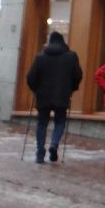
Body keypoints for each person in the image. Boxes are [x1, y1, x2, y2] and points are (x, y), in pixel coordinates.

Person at [25, 31, 83, 163]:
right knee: (60, 121)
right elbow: (78, 75)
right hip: (62, 95)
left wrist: (35, 89)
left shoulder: (40, 57)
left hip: (43, 96)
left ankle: (40, 153)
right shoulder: (71, 56)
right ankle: (54, 144)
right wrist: (71, 89)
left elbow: (30, 77)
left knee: (42, 123)